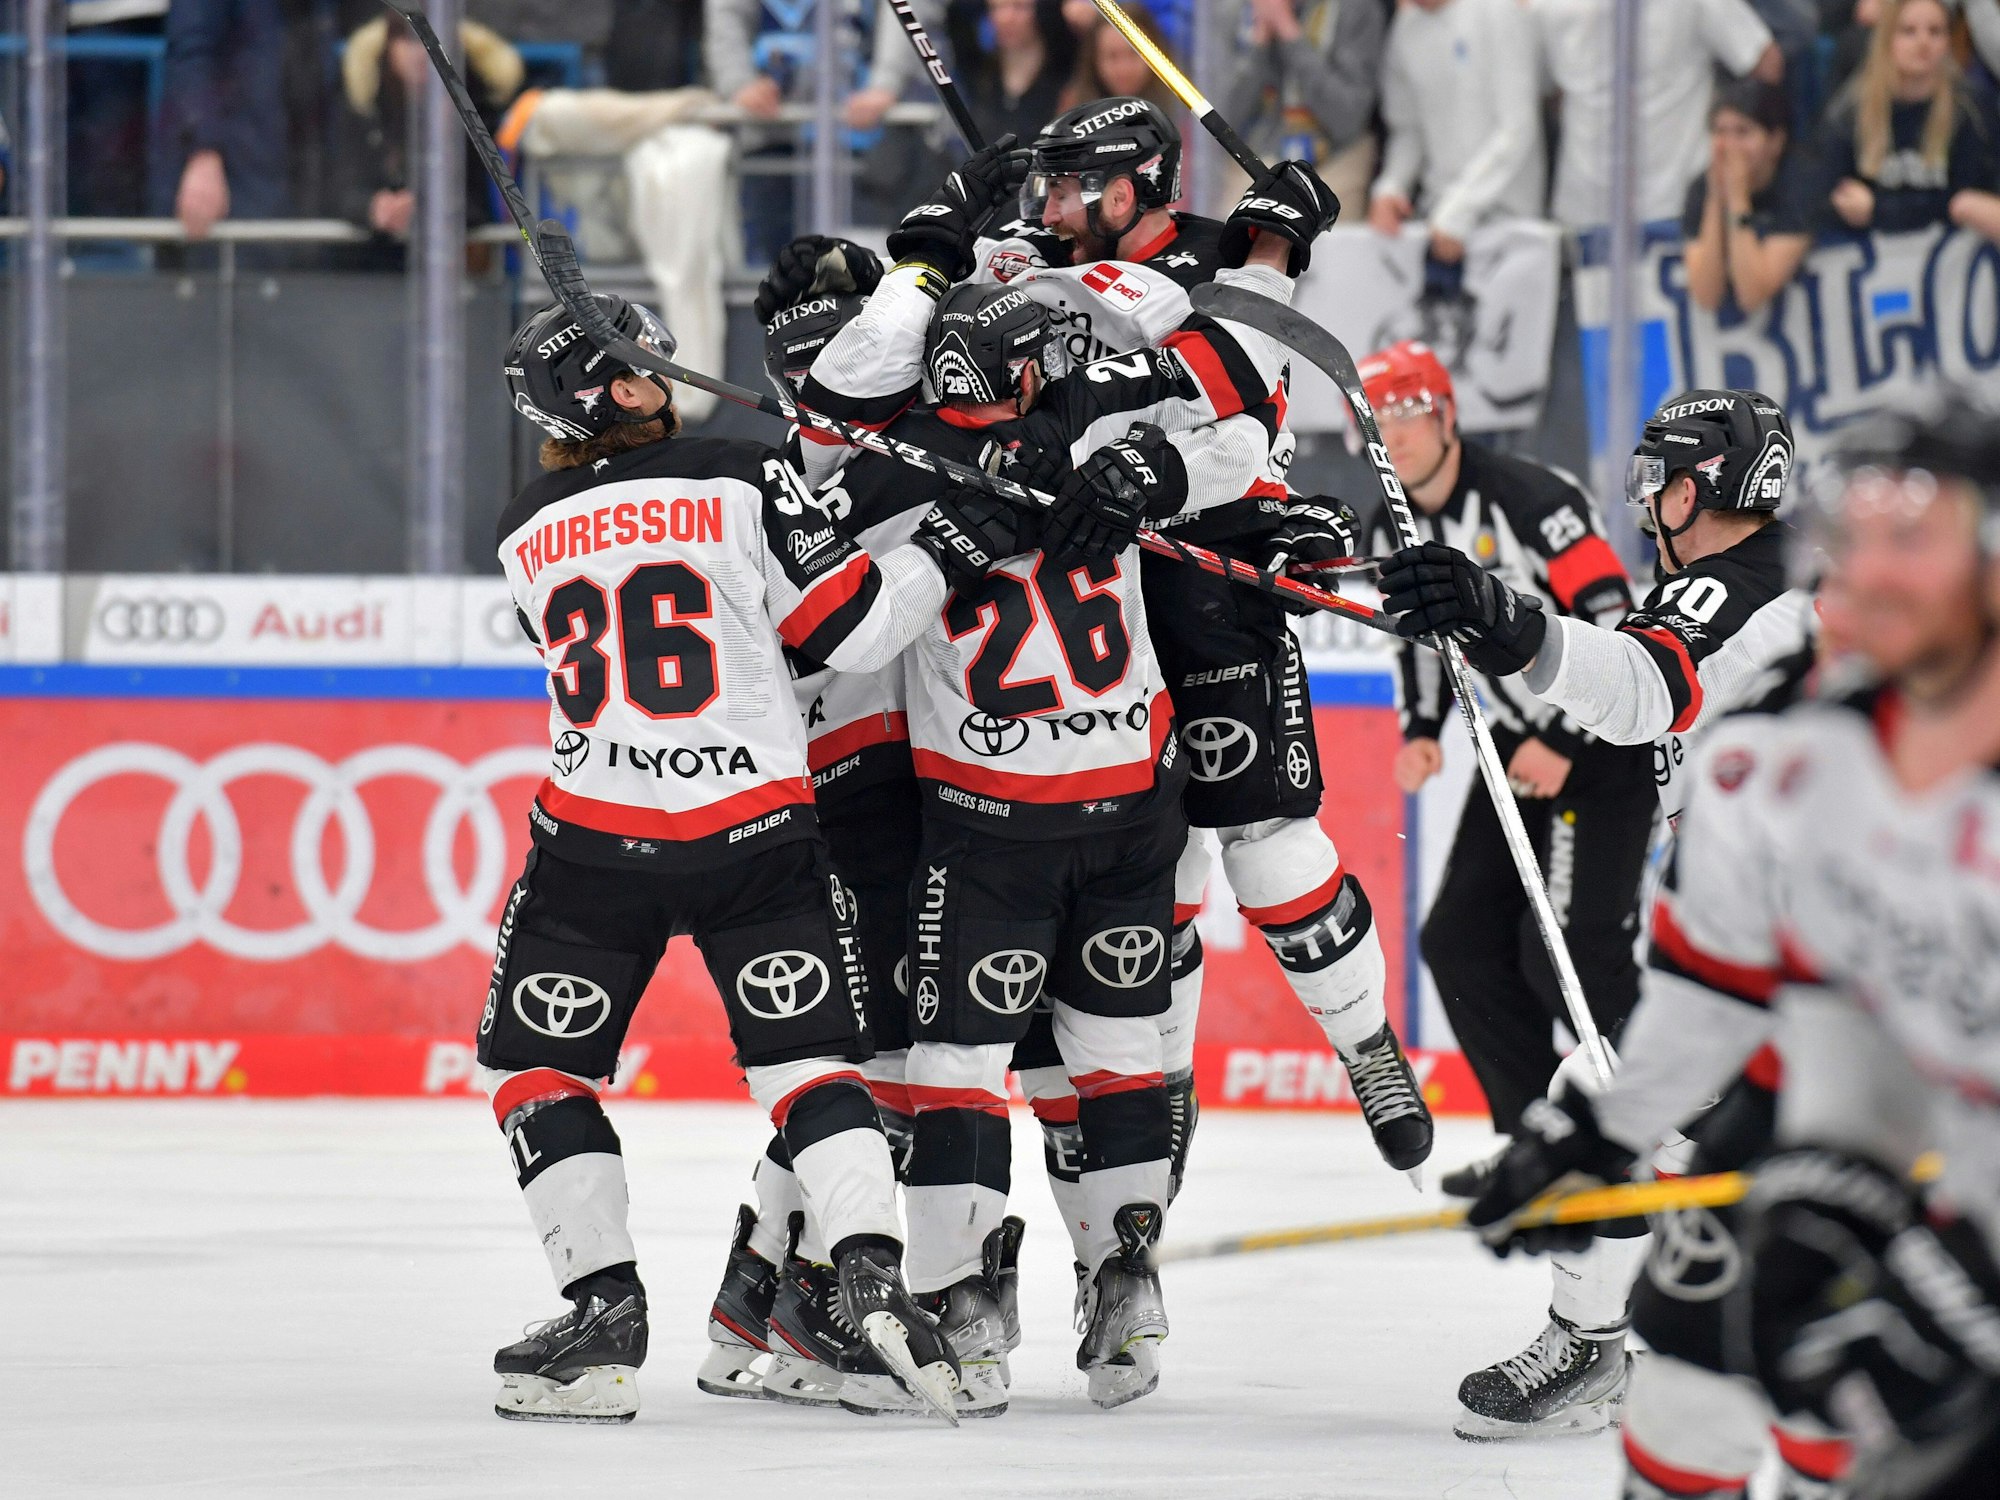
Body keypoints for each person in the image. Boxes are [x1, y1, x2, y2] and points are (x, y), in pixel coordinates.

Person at [776, 147, 1346, 1416]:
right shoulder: (1106, 428)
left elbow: (832, 550)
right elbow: (1240, 417)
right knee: (1116, 1058)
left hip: (990, 829)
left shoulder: (887, 478)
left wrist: (937, 542)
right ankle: (1126, 1281)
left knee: (957, 1064)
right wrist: (1260, 259)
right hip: (1135, 815)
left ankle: (967, 1305)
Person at [474, 289, 1029, 1425]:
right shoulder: (739, 471)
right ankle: (871, 1275)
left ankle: (601, 1311)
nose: (663, 374)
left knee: (534, 1071)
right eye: (643, 366)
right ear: (614, 389)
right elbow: (859, 631)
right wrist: (955, 543)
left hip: (594, 843)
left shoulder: (521, 528)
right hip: (759, 829)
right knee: (810, 1071)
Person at [1457, 395, 2000, 1498]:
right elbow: (1717, 994)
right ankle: (1602, 1343)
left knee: (1876, 1430)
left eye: (1911, 546)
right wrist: (1599, 1134)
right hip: (1827, 1120)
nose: (1858, 582)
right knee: (1691, 1396)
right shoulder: (1778, 757)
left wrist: (1957, 1269)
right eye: (1847, 546)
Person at [1382, 385, 1812, 1448]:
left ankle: (1592, 1348)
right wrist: (1491, 631)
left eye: (1660, 477)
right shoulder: (1768, 578)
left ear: (1699, 485)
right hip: (1779, 934)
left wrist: (1499, 617)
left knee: (1619, 1101)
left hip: (1806, 947)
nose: (1643, 500)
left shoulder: (1738, 590)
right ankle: (1610, 1336)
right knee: (1620, 1100)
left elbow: (1634, 692)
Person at [1363, 338, 1656, 1440]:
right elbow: (1419, 629)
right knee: (1455, 943)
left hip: (1596, 754)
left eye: (1403, 417)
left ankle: (1643, 1137)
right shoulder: (1404, 511)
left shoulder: (1528, 496)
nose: (1387, 438)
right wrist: (1421, 728)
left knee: (1566, 965)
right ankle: (1542, 1138)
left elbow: (1619, 626)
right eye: (1376, 424)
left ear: (1441, 417)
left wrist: (1573, 747)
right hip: (1516, 760)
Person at [1528, 0, 1781, 232]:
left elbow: (1763, 62)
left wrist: (1729, 128)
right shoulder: (1546, 6)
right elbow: (1539, 89)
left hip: (1680, 206)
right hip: (1584, 213)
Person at [1367, 0, 1547, 269]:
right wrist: (1391, 187)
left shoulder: (1499, 10)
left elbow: (1517, 127)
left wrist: (1461, 209)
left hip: (1509, 222)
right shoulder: (1405, 29)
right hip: (1437, 220)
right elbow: (1408, 131)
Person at [333, 13, 523, 262]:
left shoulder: (483, 111)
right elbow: (336, 189)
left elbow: (492, 200)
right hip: (371, 271)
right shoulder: (365, 110)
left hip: (460, 270)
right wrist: (372, 207)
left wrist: (426, 207)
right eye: (410, 40)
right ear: (389, 48)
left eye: (433, 41)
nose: (421, 53)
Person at [1819, 0, 2000, 239]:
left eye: (1935, 32)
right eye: (1908, 31)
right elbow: (1824, 196)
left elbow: (1971, 202)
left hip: (1956, 258)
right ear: (1885, 39)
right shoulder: (1850, 112)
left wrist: (1879, 209)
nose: (1923, 42)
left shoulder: (1972, 111)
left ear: (1948, 41)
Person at [1212, 0, 1386, 217]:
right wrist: (1259, 43)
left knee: (1324, 233)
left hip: (1335, 157)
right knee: (1235, 234)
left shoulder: (1357, 8)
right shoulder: (1234, 11)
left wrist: (1288, 31)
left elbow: (1347, 119)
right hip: (1256, 154)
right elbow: (1222, 121)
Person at [1682, 76, 1816, 317]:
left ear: (1776, 141)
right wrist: (1715, 200)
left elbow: (1752, 294)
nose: (1729, 146)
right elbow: (1706, 296)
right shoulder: (1701, 188)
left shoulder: (1801, 183)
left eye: (1743, 132)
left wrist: (1737, 200)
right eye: (1720, 132)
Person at [1059, 3, 1179, 112]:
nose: (1124, 69)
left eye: (1135, 54)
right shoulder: (1073, 112)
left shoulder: (1182, 108)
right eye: (1112, 56)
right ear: (1094, 60)